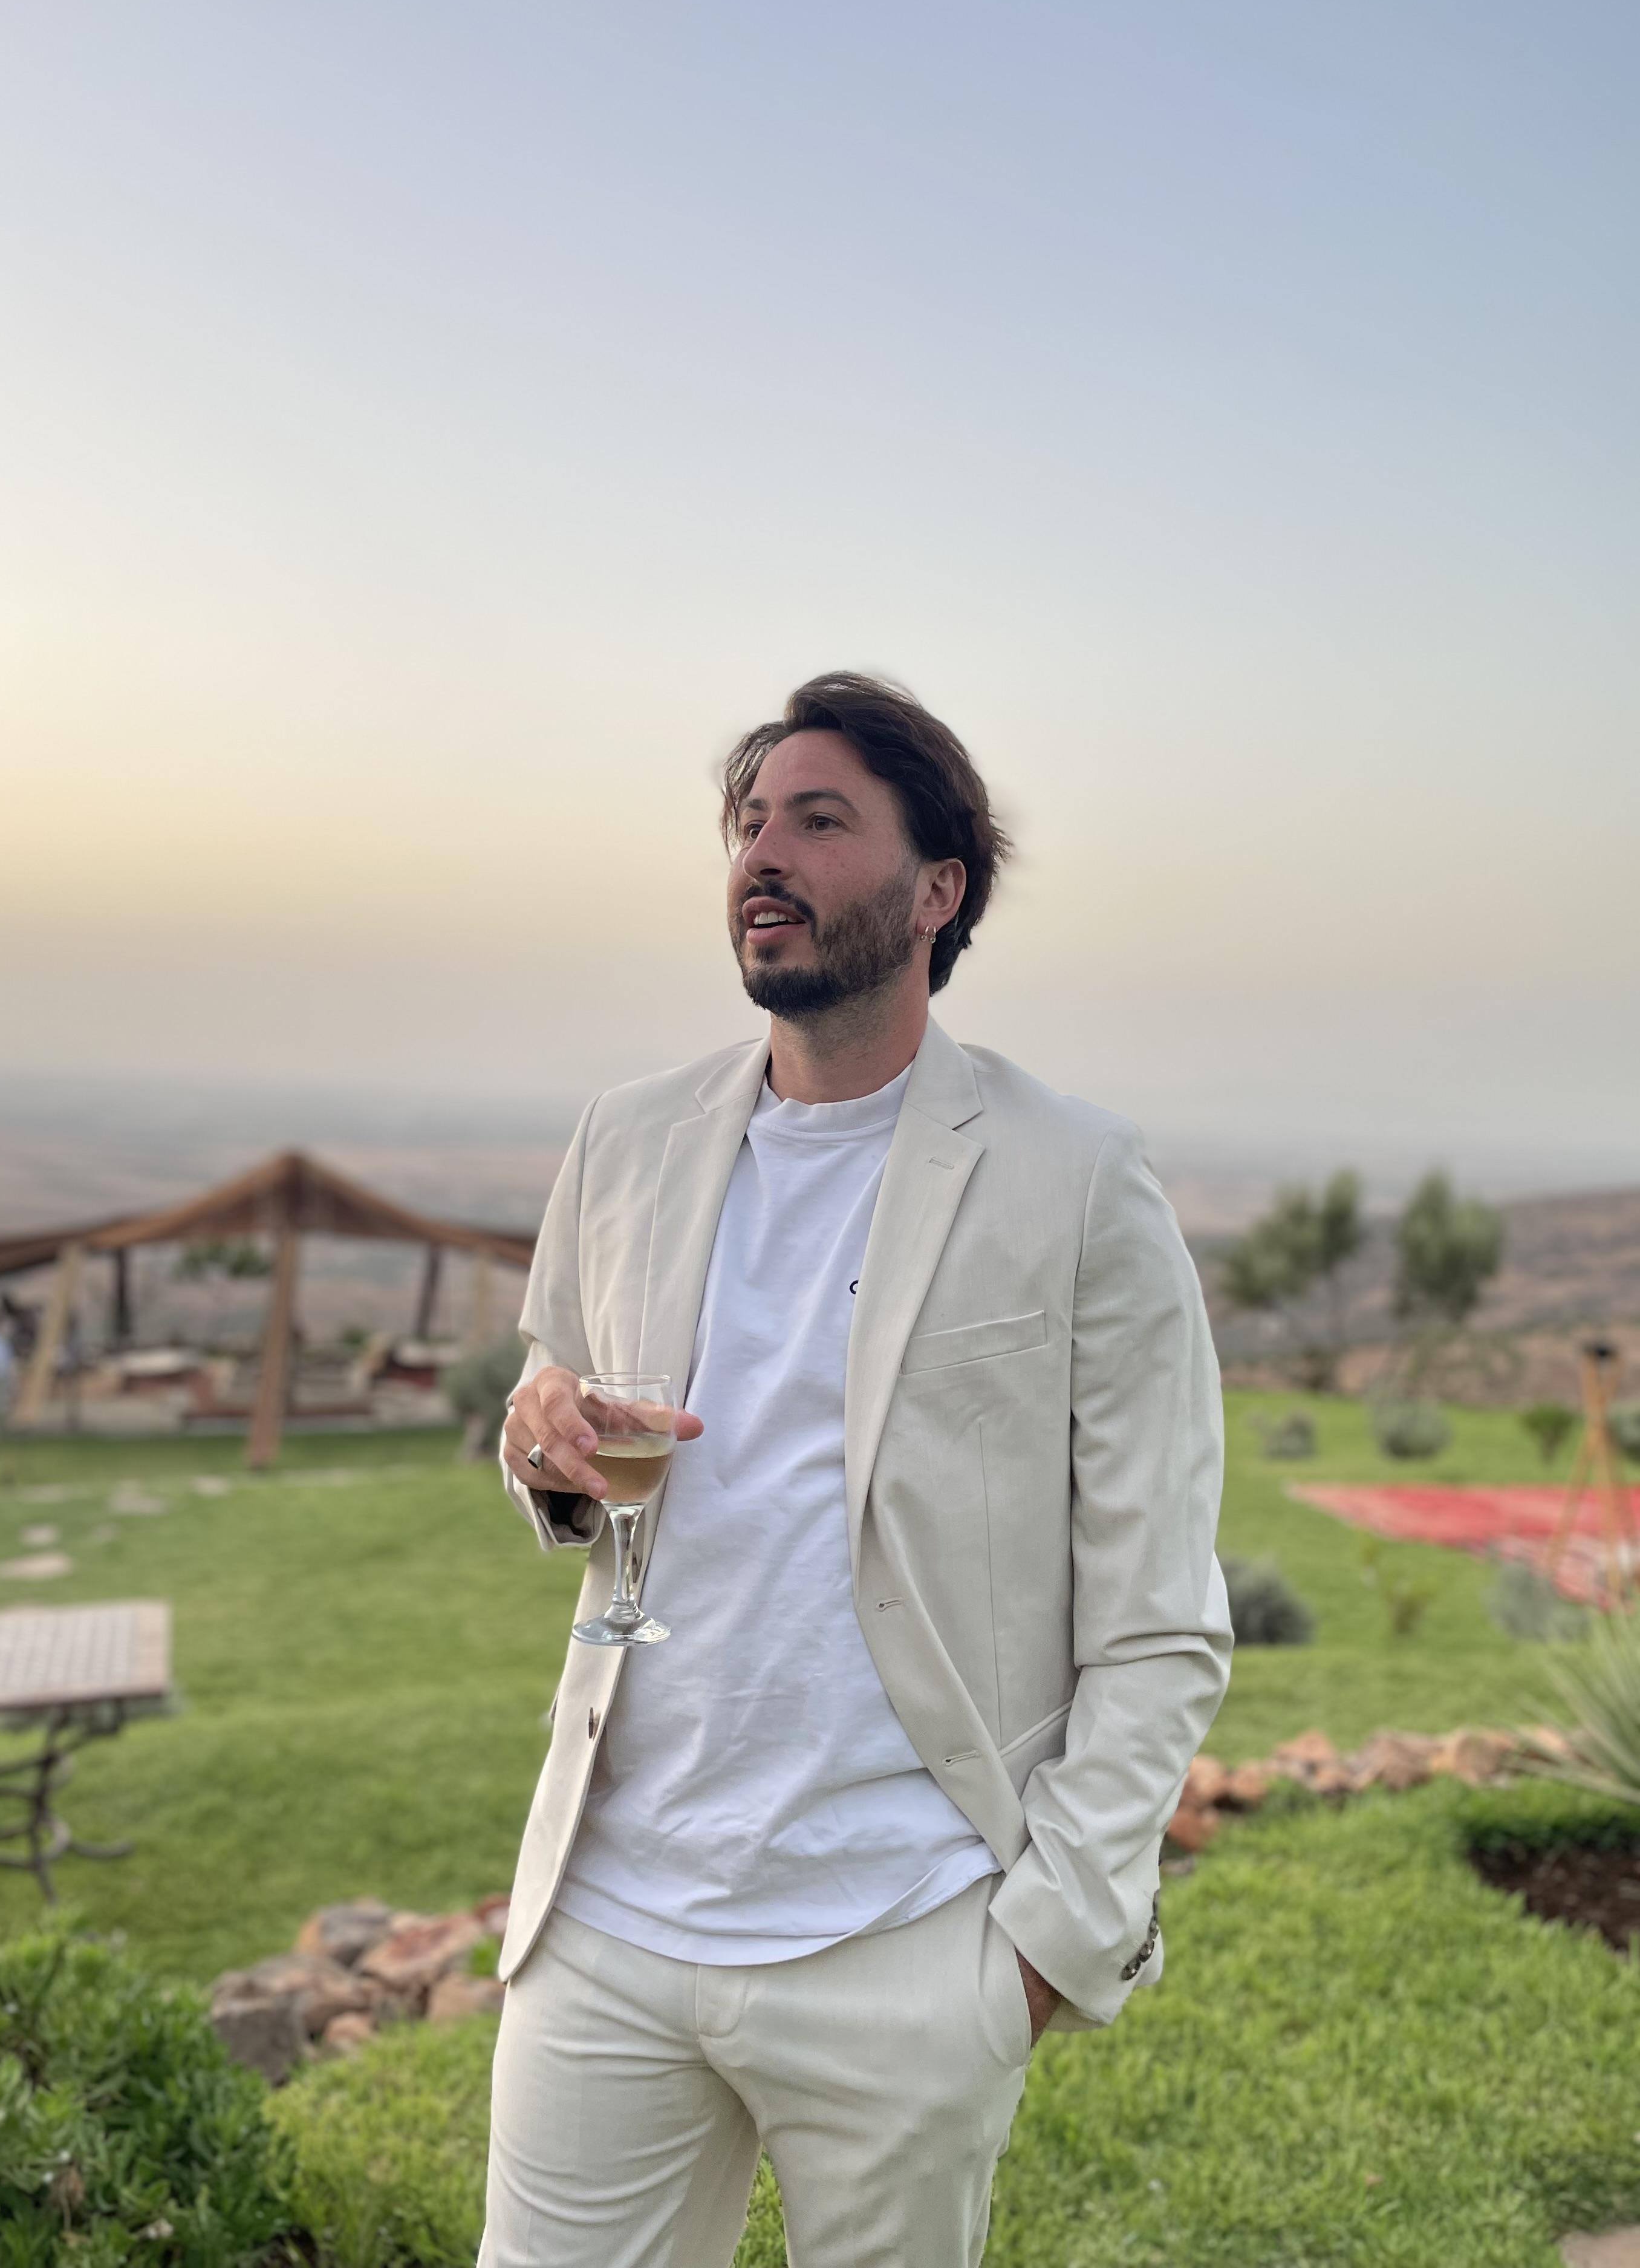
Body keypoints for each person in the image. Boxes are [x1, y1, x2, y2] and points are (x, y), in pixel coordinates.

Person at [484, 672, 1231, 2268]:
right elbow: (556, 1417)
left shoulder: (1076, 1177)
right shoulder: (625, 1139)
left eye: (821, 822)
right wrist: (542, 1447)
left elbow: (1162, 1617)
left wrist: (1040, 1952)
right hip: (607, 1922)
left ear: (938, 888)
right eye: (752, 823)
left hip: (905, 1938)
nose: (765, 855)